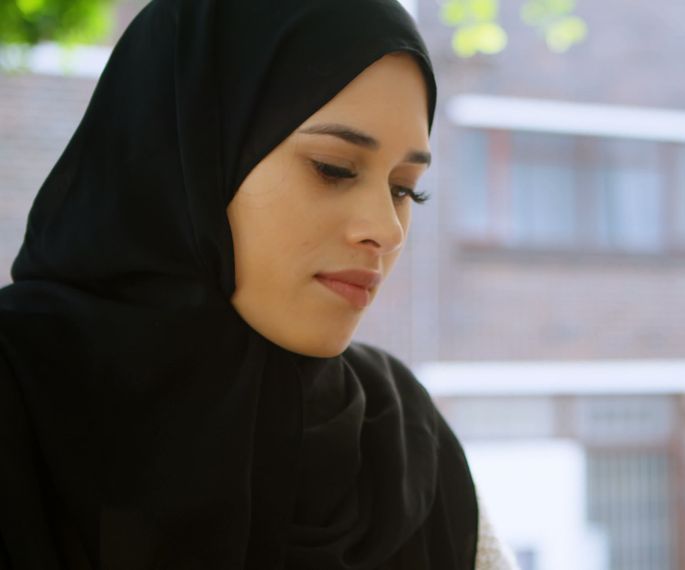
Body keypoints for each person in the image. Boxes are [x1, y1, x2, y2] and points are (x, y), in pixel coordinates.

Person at [0, 0, 517, 567]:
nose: (387, 231)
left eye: (404, 189)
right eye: (334, 168)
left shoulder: (403, 438)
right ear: (193, 152)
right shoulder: (21, 394)